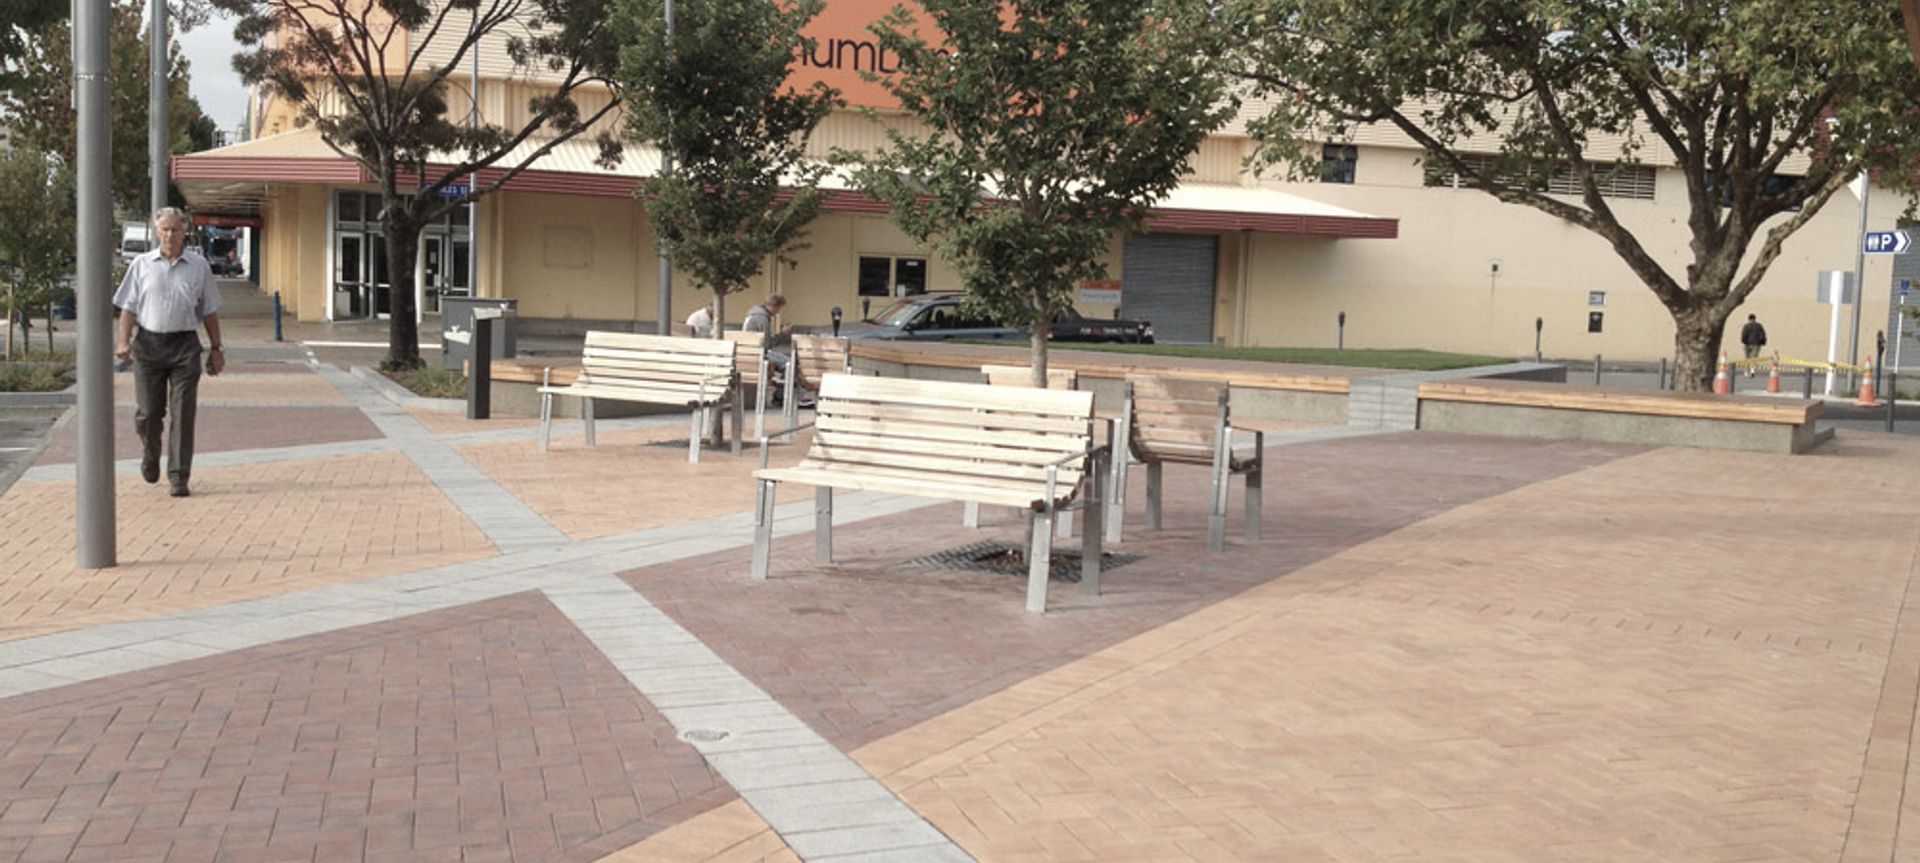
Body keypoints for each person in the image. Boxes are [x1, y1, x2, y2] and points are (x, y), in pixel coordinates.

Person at [114, 207, 223, 498]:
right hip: (148, 346)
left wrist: (216, 348)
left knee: (183, 414)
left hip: (184, 346)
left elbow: (209, 311)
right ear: (156, 232)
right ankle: (151, 454)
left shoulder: (199, 266)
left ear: (185, 232)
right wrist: (122, 341)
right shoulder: (141, 264)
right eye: (164, 229)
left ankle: (178, 475)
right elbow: (128, 307)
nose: (169, 235)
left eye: (175, 230)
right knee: (148, 414)